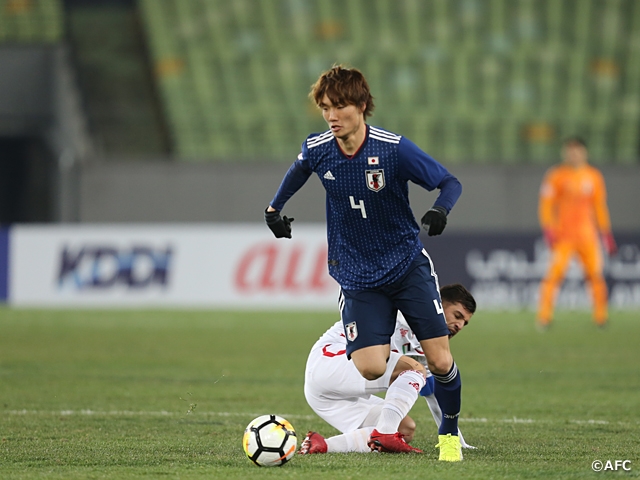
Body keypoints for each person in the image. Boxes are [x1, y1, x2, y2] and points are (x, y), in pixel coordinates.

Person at [265, 65, 464, 460]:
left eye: (338, 107)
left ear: (360, 105)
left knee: (440, 359)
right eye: (324, 107)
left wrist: (440, 210)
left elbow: (450, 182)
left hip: (406, 265)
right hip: (356, 275)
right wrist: (274, 209)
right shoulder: (319, 147)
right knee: (371, 367)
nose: (331, 116)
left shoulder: (393, 148)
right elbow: (299, 168)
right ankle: (388, 427)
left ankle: (449, 434)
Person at [299, 284, 477, 455]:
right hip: (330, 362)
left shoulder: (427, 345)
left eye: (465, 323)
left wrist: (454, 439)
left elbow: (434, 395)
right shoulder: (406, 309)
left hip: (326, 396)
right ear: (437, 304)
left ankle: (321, 444)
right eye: (457, 315)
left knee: (405, 430)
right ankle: (385, 434)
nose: (459, 325)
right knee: (415, 369)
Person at [537, 137, 617, 329]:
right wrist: (548, 227)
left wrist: (605, 233)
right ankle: (544, 317)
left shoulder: (594, 176)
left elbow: (599, 207)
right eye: (569, 150)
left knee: (595, 276)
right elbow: (546, 204)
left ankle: (601, 317)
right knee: (553, 276)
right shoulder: (556, 175)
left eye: (577, 150)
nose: (573, 154)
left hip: (587, 235)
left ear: (584, 152)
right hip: (564, 236)